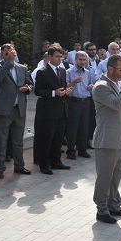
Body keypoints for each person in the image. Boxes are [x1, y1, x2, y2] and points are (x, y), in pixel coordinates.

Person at [91, 55, 121, 224]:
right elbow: (116, 103)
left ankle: (114, 205)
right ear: (110, 69)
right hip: (107, 140)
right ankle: (102, 210)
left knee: (115, 176)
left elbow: (117, 105)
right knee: (104, 177)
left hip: (119, 139)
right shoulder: (101, 86)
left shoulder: (115, 84)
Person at [0, 44, 32, 179]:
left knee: (18, 140)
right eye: (7, 54)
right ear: (2, 55)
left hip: (19, 109)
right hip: (4, 110)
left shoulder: (22, 68)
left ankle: (19, 166)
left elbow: (30, 83)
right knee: (1, 141)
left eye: (12, 53)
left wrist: (28, 88)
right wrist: (8, 63)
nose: (10, 55)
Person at [33, 45, 72, 174]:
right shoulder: (42, 72)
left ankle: (56, 161)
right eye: (56, 56)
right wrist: (54, 93)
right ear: (49, 57)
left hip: (61, 110)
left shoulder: (62, 70)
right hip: (48, 111)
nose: (59, 59)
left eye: (61, 56)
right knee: (47, 138)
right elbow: (38, 91)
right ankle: (44, 164)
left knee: (58, 138)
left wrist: (66, 92)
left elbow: (62, 88)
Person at [65, 51, 96, 160]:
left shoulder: (87, 72)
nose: (82, 62)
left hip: (86, 101)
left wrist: (91, 87)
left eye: (84, 60)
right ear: (75, 60)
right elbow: (66, 88)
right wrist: (74, 82)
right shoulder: (69, 72)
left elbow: (90, 85)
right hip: (74, 101)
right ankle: (71, 150)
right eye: (80, 60)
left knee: (84, 126)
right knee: (73, 127)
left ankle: (82, 149)